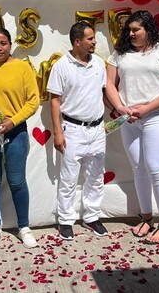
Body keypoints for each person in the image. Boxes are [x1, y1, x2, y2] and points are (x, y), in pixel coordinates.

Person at [105, 10, 159, 245]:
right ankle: (146, 217)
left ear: (148, 29)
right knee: (138, 168)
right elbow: (109, 84)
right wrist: (120, 108)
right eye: (128, 30)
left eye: (135, 29)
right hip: (129, 120)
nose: (130, 34)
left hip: (156, 117)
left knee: (155, 168)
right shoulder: (119, 54)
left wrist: (147, 108)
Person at [0, 27, 40, 249]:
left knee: (16, 181)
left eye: (3, 43)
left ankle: (24, 227)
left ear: (10, 44)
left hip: (14, 131)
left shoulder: (22, 68)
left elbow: (33, 100)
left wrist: (13, 121)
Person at [47, 21, 111, 240]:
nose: (94, 42)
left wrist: (120, 112)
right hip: (72, 129)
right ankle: (66, 220)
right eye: (90, 38)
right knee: (68, 178)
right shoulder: (61, 66)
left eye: (93, 38)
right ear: (77, 42)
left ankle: (92, 216)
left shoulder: (99, 64)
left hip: (97, 129)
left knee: (95, 176)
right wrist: (57, 132)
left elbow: (103, 93)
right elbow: (54, 100)